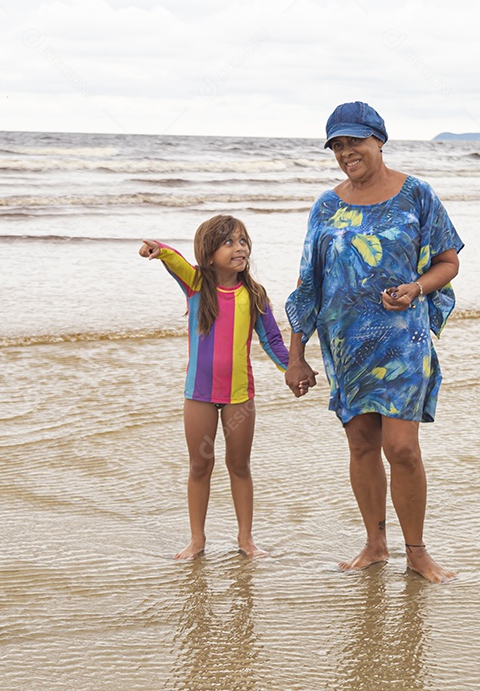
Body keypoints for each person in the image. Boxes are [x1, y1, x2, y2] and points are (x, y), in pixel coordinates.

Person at [285, 102, 463, 583]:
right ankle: (375, 544)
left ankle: (417, 551)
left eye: (354, 142)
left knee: (401, 448)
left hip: (403, 341)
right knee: (362, 444)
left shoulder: (416, 195)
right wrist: (296, 356)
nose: (346, 153)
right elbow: (310, 283)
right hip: (345, 344)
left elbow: (448, 262)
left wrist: (416, 288)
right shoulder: (327, 205)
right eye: (337, 146)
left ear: (378, 140)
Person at [139, 215, 289, 560]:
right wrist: (157, 250)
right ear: (208, 255)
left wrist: (293, 369)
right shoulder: (196, 285)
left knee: (239, 465)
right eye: (228, 242)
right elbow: (175, 261)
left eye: (242, 241)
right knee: (199, 466)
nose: (239, 248)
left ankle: (246, 540)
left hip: (240, 396)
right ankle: (197, 540)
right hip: (199, 396)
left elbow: (273, 342)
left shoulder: (255, 295)